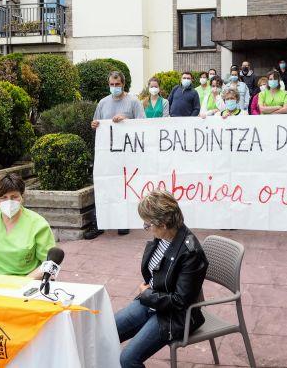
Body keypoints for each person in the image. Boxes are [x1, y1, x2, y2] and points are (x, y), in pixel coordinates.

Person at [115, 190, 208, 368]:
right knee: (106, 333)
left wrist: (147, 294)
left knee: (128, 359)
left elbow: (180, 301)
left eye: (148, 224)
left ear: (164, 224)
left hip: (174, 316)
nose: (145, 227)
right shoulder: (163, 237)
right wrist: (149, 295)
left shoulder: (191, 253)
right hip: (152, 301)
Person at [0, 173, 55, 277]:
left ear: (22, 197)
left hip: (26, 284)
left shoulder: (38, 224)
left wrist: (25, 283)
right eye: (3, 197)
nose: (9, 202)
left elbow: (50, 263)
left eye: (14, 197)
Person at [91, 71, 145, 237]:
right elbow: (96, 123)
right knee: (105, 186)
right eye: (111, 85)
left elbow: (144, 124)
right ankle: (100, 223)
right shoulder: (103, 103)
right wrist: (94, 125)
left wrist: (126, 121)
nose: (114, 87)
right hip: (108, 154)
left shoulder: (133, 102)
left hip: (127, 154)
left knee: (124, 187)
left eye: (117, 85)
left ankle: (123, 222)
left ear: (123, 84)